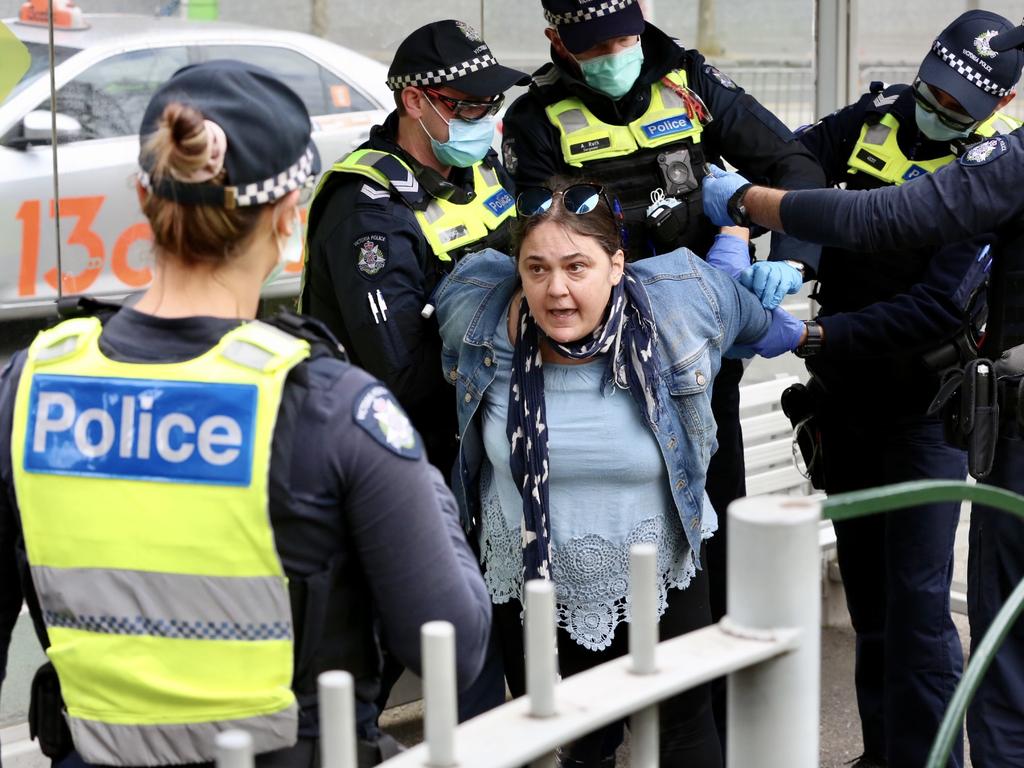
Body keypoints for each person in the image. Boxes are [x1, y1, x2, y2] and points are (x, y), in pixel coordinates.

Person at [0, 61, 491, 768]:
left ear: (145, 196)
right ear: (290, 214)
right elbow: (454, 643)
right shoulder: (330, 410)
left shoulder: (30, 388)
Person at [702, 20, 1024, 768]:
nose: (940, 107)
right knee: (875, 605)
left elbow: (940, 306)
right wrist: (794, 259)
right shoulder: (873, 118)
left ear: (999, 99)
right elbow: (797, 164)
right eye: (933, 89)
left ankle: (925, 758)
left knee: (919, 610)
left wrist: (812, 338)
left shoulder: (986, 172)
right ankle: (883, 754)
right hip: (844, 402)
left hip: (925, 412)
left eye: (961, 102)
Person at [499, 4, 827, 735]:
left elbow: (793, 162)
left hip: (700, 371)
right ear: (558, 44)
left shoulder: (687, 80)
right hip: (601, 385)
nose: (617, 54)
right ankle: (612, 734)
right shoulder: (535, 119)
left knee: (717, 554)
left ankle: (707, 727)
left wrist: (784, 253)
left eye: (625, 37)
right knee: (617, 571)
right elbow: (553, 246)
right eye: (596, 46)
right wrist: (691, 277)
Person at [435, 177, 808, 767]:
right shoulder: (478, 314)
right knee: (579, 745)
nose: (555, 290)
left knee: (684, 735)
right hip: (531, 580)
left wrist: (786, 317)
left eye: (576, 267)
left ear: (616, 265)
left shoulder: (685, 300)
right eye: (536, 269)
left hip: (661, 575)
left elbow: (757, 325)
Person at [300, 19, 529, 478]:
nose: (482, 120)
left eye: (491, 106)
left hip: (479, 427)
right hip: (390, 453)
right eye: (467, 108)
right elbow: (401, 376)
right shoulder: (368, 213)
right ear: (414, 101)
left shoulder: (480, 167)